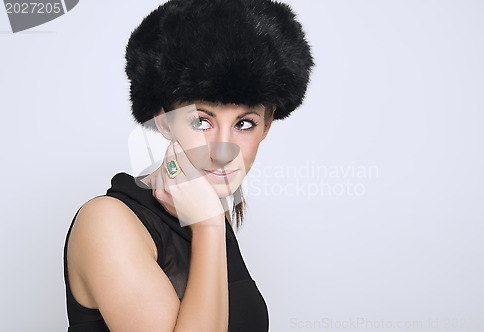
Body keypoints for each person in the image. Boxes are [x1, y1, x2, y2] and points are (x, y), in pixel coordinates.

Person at [63, 0, 313, 331]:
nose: (224, 151)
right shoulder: (107, 221)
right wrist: (208, 226)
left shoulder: (206, 201)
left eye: (244, 123)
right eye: (201, 121)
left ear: (266, 126)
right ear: (164, 122)